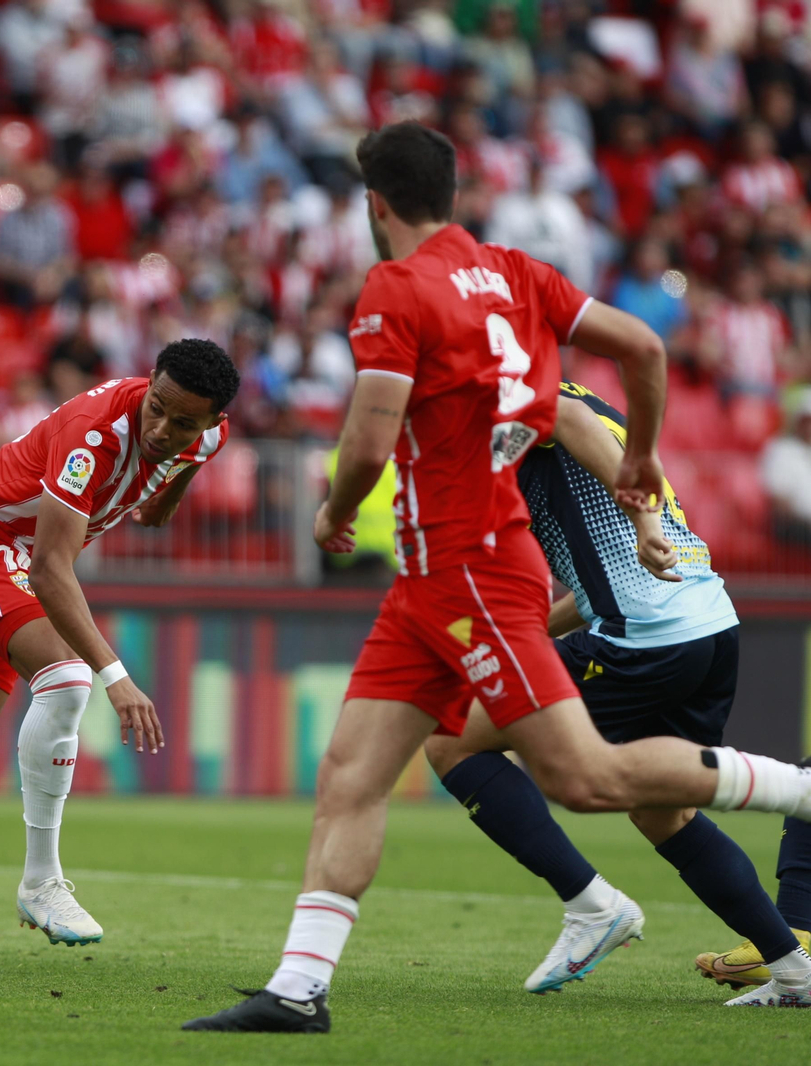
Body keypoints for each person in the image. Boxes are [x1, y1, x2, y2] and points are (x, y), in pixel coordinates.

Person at [183, 122, 811, 1035]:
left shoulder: (395, 287)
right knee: (355, 772)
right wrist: (642, 474)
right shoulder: (516, 275)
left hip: (473, 566)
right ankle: (297, 990)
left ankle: (790, 798)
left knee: (586, 779)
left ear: (376, 206)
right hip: (435, 581)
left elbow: (369, 436)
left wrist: (334, 507)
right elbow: (643, 348)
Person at [0, 339, 239, 969]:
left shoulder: (204, 439)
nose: (163, 429)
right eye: (158, 408)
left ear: (212, 423)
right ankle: (41, 881)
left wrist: (162, 500)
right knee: (69, 681)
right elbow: (50, 567)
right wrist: (117, 676)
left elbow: (187, 461)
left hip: (3, 553)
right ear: (148, 381)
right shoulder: (94, 436)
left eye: (184, 423)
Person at [426, 381, 809, 997]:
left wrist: (645, 521)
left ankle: (593, 906)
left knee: (451, 736)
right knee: (663, 811)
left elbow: (568, 420)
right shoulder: (588, 400)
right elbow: (593, 585)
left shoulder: (524, 398)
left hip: (644, 638)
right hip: (706, 621)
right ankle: (795, 972)